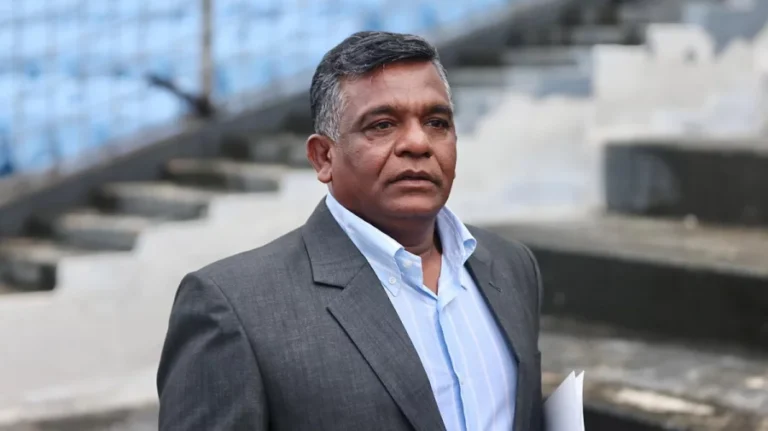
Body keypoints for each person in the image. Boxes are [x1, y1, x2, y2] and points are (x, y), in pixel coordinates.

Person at [157, 31, 544, 431]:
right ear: (323, 157)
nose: (418, 143)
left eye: (436, 122)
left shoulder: (511, 267)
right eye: (382, 125)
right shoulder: (234, 308)